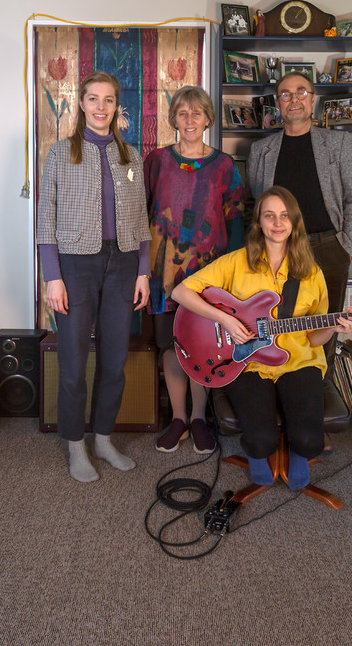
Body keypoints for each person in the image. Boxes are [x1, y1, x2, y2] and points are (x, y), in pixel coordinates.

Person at [171, 187, 352, 489]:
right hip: (246, 363)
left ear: (294, 223)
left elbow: (314, 340)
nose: (277, 223)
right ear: (259, 222)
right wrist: (227, 320)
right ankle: (260, 452)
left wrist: (335, 328)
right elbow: (180, 292)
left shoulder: (311, 272)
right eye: (269, 215)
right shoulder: (235, 262)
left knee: (310, 443)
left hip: (298, 361)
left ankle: (298, 452)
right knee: (260, 442)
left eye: (285, 216)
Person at [37, 71, 150, 483]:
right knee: (72, 364)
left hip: (122, 266)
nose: (101, 107)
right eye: (93, 99)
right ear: (81, 104)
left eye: (108, 100)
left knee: (114, 361)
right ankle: (76, 445)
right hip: (74, 266)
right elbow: (44, 218)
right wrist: (53, 277)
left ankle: (103, 438)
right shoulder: (61, 154)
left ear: (117, 107)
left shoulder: (131, 156)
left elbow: (141, 220)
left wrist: (143, 271)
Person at [144, 85, 246, 454]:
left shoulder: (224, 165)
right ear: (174, 118)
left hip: (209, 275)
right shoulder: (156, 160)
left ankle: (200, 418)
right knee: (172, 346)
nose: (189, 120)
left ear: (207, 119)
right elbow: (142, 214)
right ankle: (177, 419)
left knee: (205, 345)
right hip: (164, 273)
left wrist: (232, 273)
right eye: (183, 113)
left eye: (197, 113)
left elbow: (235, 218)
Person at [247, 72, 352, 369]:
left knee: (325, 327)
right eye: (286, 94)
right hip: (278, 250)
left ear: (313, 100)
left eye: (301, 92)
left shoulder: (338, 143)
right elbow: (256, 204)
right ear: (278, 103)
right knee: (278, 324)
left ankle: (316, 388)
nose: (294, 99)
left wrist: (345, 247)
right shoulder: (261, 151)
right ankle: (280, 383)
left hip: (329, 248)